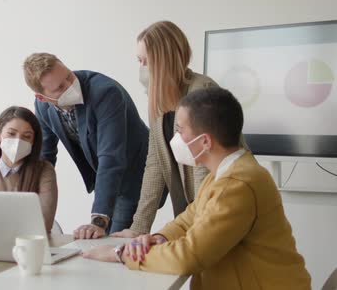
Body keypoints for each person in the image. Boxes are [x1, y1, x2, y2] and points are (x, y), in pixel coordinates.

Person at [82, 88, 311, 290]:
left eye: (180, 130)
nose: (176, 138)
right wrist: (157, 238)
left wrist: (122, 254)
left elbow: (190, 256)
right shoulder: (225, 173)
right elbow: (188, 219)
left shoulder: (236, 184)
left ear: (205, 142)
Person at [23, 53, 149, 239]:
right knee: (99, 242)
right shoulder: (42, 107)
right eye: (59, 87)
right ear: (43, 98)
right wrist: (29, 202)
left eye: (68, 76)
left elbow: (111, 157)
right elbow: (45, 156)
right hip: (105, 177)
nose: (70, 85)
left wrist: (98, 220)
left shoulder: (105, 93)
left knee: (115, 241)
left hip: (134, 174)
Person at [112, 21, 219, 238]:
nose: (141, 68)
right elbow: (155, 164)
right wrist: (139, 227)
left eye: (146, 61)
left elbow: (202, 164)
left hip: (213, 207)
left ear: (164, 61)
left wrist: (199, 225)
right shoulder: (159, 99)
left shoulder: (202, 91)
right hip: (193, 211)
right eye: (138, 61)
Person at [0, 106, 57, 233]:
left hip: (29, 247)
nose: (18, 141)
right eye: (11, 134)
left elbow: (43, 222)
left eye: (27, 136)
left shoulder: (44, 170)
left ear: (33, 142)